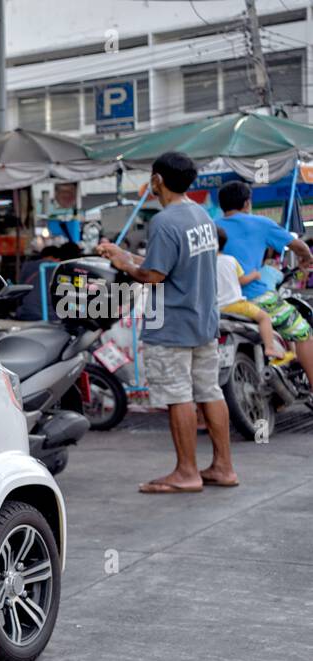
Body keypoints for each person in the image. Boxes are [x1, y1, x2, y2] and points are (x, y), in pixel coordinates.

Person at [96, 151, 236, 493]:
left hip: (173, 322)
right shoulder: (200, 215)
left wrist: (125, 265)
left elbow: (154, 275)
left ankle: (186, 472)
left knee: (178, 396)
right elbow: (169, 264)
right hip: (203, 320)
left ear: (158, 180)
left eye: (151, 178)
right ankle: (223, 467)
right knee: (209, 391)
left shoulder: (165, 221)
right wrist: (124, 255)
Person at [214, 180, 313, 299]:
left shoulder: (211, 226)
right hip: (253, 296)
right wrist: (307, 258)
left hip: (217, 298)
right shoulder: (261, 223)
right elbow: (300, 247)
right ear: (247, 203)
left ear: (221, 205)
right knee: (296, 317)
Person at [215, 225, 285, 362]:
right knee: (264, 317)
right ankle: (270, 347)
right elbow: (242, 280)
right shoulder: (231, 260)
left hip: (215, 309)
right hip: (235, 305)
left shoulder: (202, 263)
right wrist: (254, 275)